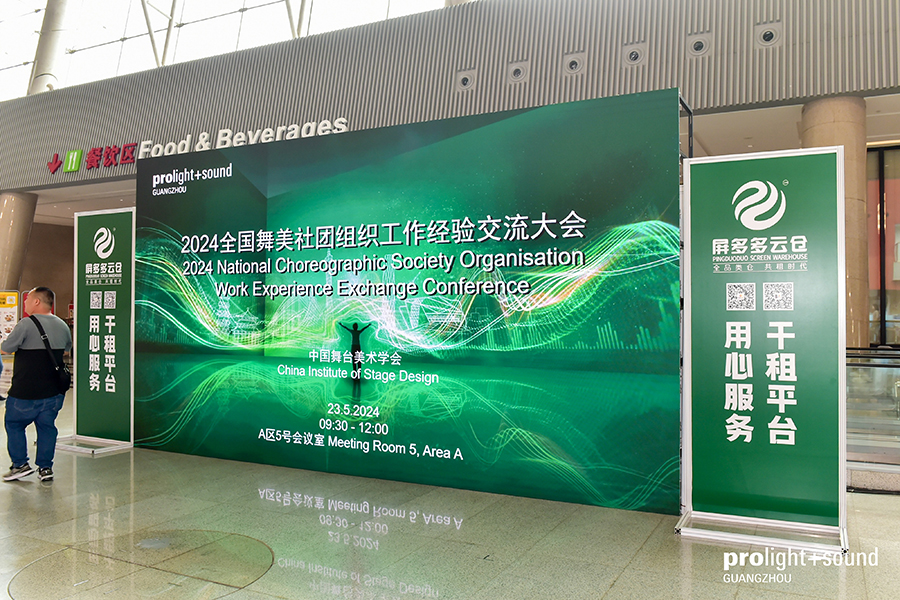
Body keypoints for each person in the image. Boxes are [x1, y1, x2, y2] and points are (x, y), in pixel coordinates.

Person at [2, 287, 72, 482]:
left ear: (37, 302)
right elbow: (66, 350)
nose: (25, 303)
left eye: (27, 299)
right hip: (53, 392)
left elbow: (6, 348)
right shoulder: (63, 325)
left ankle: (20, 465)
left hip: (25, 392)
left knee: (14, 424)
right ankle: (45, 468)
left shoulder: (26, 324)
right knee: (47, 428)